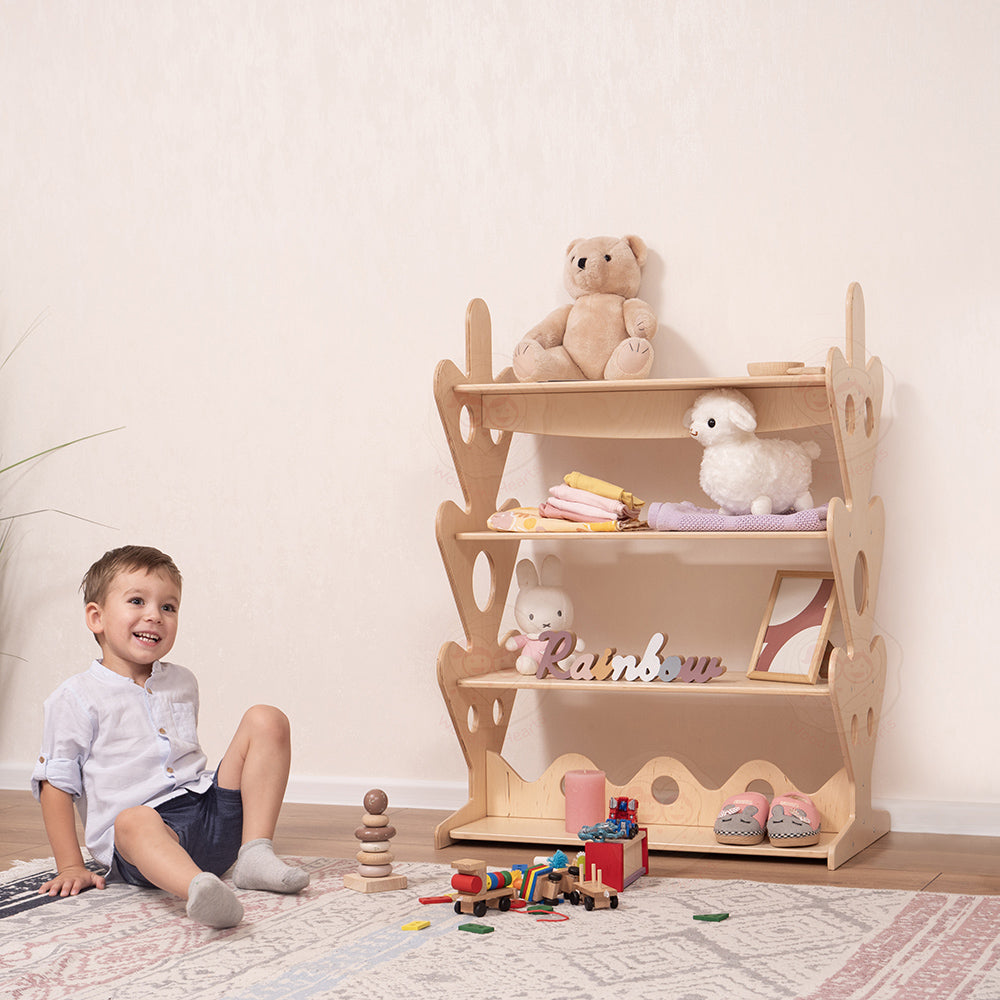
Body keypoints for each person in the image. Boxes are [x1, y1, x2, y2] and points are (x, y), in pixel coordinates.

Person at [31, 545, 308, 928]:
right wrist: (71, 865)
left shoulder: (182, 681)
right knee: (132, 820)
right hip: (146, 840)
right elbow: (56, 784)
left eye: (168, 607)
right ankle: (198, 888)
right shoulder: (76, 698)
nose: (155, 616)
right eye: (137, 601)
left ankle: (254, 854)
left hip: (206, 812)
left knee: (267, 719)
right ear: (96, 617)